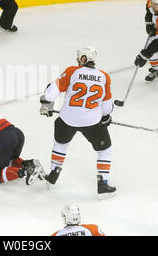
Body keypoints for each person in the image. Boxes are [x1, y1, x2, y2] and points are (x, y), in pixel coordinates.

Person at [39, 46, 116, 200]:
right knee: (105, 151)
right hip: (92, 122)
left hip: (68, 119)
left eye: (78, 57)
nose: (76, 59)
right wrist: (105, 116)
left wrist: (46, 106)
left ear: (83, 59)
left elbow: (49, 94)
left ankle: (53, 174)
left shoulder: (72, 71)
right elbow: (107, 108)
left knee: (60, 145)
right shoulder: (104, 76)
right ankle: (103, 185)